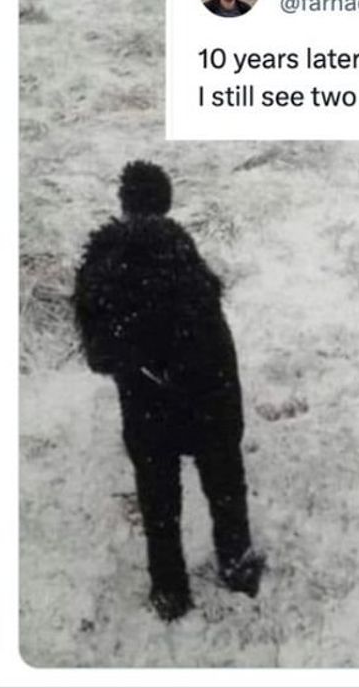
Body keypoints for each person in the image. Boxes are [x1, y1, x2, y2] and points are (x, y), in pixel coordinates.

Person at [73, 161, 264, 621]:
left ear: (124, 203)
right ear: (166, 200)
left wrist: (138, 366)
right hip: (207, 394)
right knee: (223, 481)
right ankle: (236, 565)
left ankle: (169, 589)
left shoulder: (102, 260)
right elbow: (212, 332)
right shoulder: (183, 255)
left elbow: (98, 355)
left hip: (145, 403)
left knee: (157, 496)